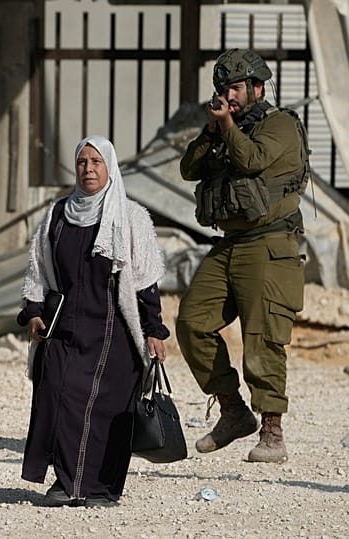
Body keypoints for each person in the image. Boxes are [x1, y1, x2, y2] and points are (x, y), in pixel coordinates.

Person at [18, 135, 169, 507]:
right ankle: (65, 481)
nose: (88, 169)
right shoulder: (57, 215)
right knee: (58, 397)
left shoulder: (130, 216)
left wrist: (153, 331)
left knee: (106, 409)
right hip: (66, 325)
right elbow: (38, 268)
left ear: (110, 167)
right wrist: (34, 311)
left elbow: (146, 279)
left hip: (115, 328)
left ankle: (101, 488)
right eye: (83, 162)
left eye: (96, 162)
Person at [177, 48, 307, 464]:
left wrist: (227, 126)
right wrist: (214, 131)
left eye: (234, 88)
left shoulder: (279, 125)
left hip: (269, 244)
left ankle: (272, 430)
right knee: (192, 322)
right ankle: (233, 411)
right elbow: (188, 169)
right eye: (222, 89)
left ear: (256, 87)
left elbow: (253, 160)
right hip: (231, 243)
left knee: (261, 336)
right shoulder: (224, 130)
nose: (227, 95)